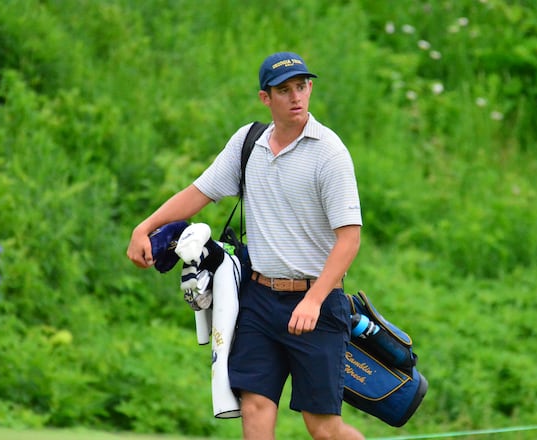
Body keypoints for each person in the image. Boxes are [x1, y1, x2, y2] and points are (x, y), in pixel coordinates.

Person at [126, 52, 364, 440]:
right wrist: (146, 226)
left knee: (323, 429)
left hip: (316, 305)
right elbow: (199, 192)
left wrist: (314, 299)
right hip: (258, 300)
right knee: (254, 406)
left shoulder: (330, 154)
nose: (295, 97)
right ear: (265, 98)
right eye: (283, 90)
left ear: (310, 88)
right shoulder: (248, 142)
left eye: (301, 87)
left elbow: (349, 239)